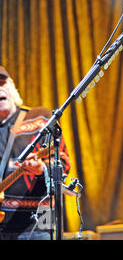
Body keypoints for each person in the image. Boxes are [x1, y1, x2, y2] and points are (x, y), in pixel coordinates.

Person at [0, 66, 70, 240]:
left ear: (12, 89)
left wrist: (41, 169)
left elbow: (63, 163)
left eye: (3, 83)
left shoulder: (40, 118)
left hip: (38, 226)